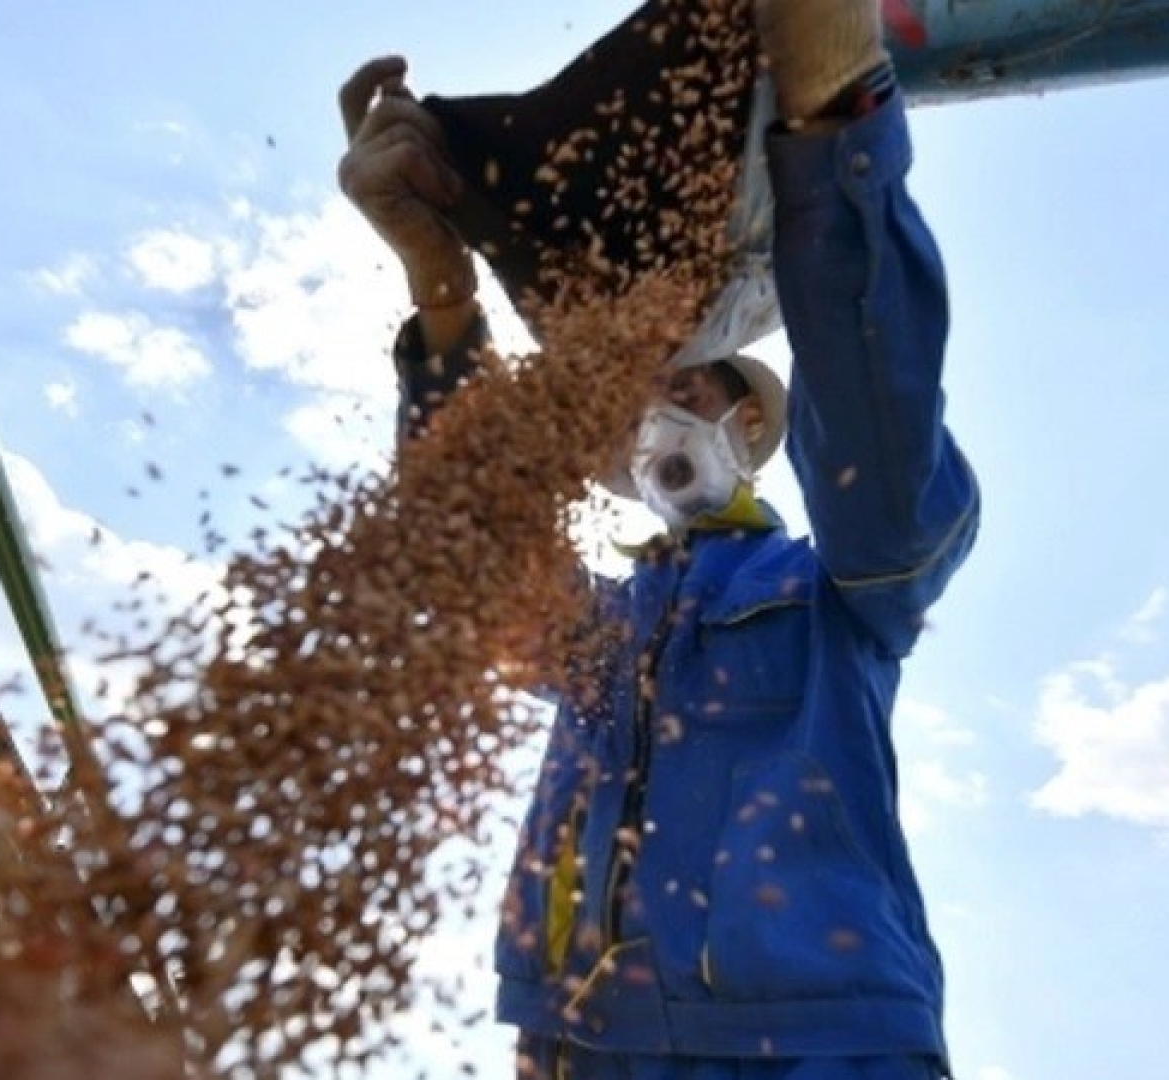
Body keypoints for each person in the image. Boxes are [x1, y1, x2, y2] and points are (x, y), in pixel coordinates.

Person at [338, 1, 979, 1076]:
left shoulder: (834, 603)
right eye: (641, 401)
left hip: (820, 1044)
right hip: (583, 1044)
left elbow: (887, 477)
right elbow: (468, 564)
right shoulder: (600, 631)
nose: (661, 411)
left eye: (690, 385)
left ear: (751, 427)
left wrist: (834, 142)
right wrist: (442, 291)